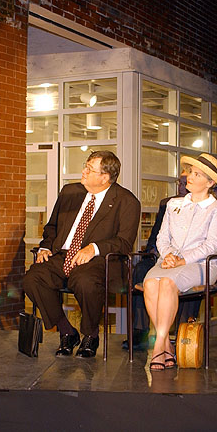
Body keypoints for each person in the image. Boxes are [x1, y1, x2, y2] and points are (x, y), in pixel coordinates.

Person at [23, 151, 140, 358]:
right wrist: (45, 247)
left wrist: (93, 248)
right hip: (62, 255)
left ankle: (91, 334)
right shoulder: (70, 192)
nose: (83, 172)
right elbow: (52, 227)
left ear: (105, 178)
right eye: (85, 166)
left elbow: (123, 243)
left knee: (84, 281)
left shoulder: (126, 201)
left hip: (98, 259)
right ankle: (67, 331)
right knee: (33, 278)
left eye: (89, 169)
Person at [143, 153, 217, 370]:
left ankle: (158, 348)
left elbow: (212, 245)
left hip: (202, 264)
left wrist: (182, 260)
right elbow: (162, 238)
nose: (190, 176)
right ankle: (167, 347)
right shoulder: (173, 204)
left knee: (167, 284)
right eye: (190, 172)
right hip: (169, 261)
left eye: (197, 174)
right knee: (150, 283)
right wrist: (170, 255)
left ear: (210, 183)